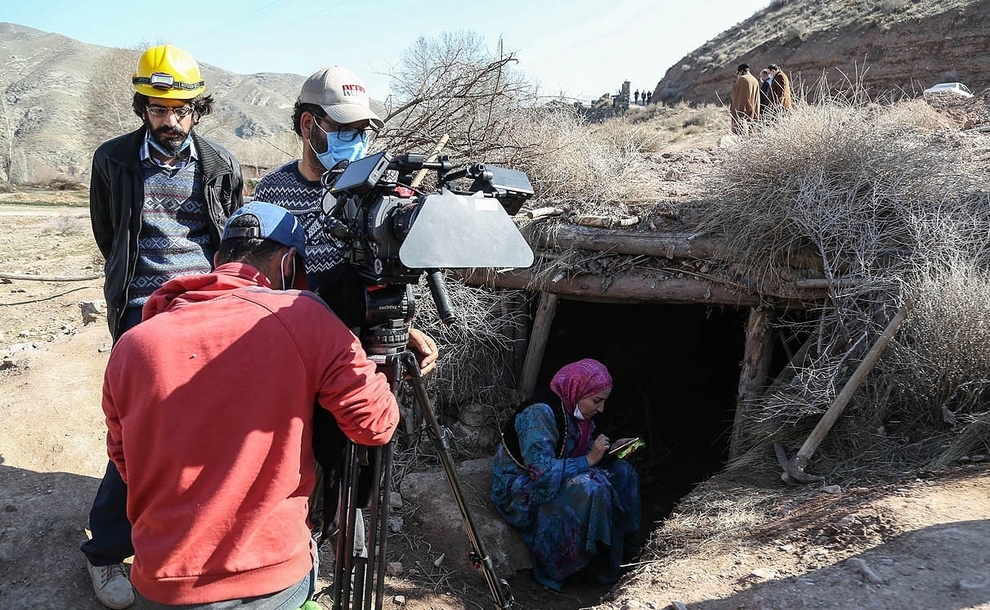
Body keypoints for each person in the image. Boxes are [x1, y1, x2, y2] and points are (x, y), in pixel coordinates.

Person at [101, 201, 400, 609]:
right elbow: (375, 425)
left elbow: (123, 460)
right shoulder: (305, 319)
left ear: (219, 260)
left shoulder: (133, 343)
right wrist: (380, 362)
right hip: (270, 578)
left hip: (161, 581)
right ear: (289, 265)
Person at [85, 43, 243, 609]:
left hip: (205, 308)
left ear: (197, 109)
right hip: (140, 310)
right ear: (141, 106)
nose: (169, 119)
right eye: (157, 108)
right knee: (137, 431)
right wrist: (139, 295)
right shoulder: (114, 159)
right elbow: (112, 237)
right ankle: (105, 553)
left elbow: (224, 239)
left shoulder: (221, 163)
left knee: (208, 426)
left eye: (179, 109)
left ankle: (187, 539)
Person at [253, 66, 436, 367]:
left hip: (360, 355)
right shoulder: (271, 191)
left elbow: (384, 274)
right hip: (293, 350)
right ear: (308, 124)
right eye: (345, 130)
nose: (357, 142)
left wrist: (402, 329)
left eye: (362, 132)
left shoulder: (377, 191)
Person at [490, 358, 641, 592]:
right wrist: (589, 460)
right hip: (520, 488)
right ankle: (564, 568)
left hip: (559, 472)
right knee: (592, 486)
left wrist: (608, 452)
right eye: (597, 401)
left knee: (623, 472)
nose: (601, 409)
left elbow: (578, 449)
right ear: (576, 390)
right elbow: (540, 475)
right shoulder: (539, 414)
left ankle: (618, 555)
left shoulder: (577, 415)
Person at [729, 63, 761, 135]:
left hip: (743, 115)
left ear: (741, 71)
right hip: (752, 113)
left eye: (738, 73)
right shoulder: (755, 80)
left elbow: (736, 94)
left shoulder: (742, 79)